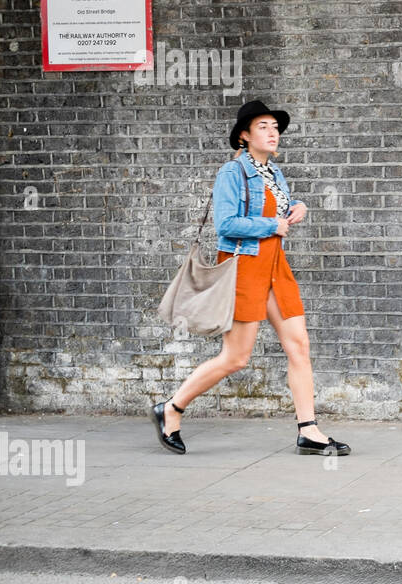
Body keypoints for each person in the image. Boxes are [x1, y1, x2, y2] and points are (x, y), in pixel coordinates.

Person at [150, 99, 350, 456]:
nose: (272, 132)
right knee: (236, 358)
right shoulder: (232, 172)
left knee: (299, 347)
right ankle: (171, 408)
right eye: (263, 127)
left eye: (275, 127)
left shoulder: (274, 173)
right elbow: (226, 225)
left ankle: (309, 430)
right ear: (244, 135)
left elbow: (278, 212)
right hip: (246, 267)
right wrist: (273, 224)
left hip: (277, 267)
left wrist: (295, 209)